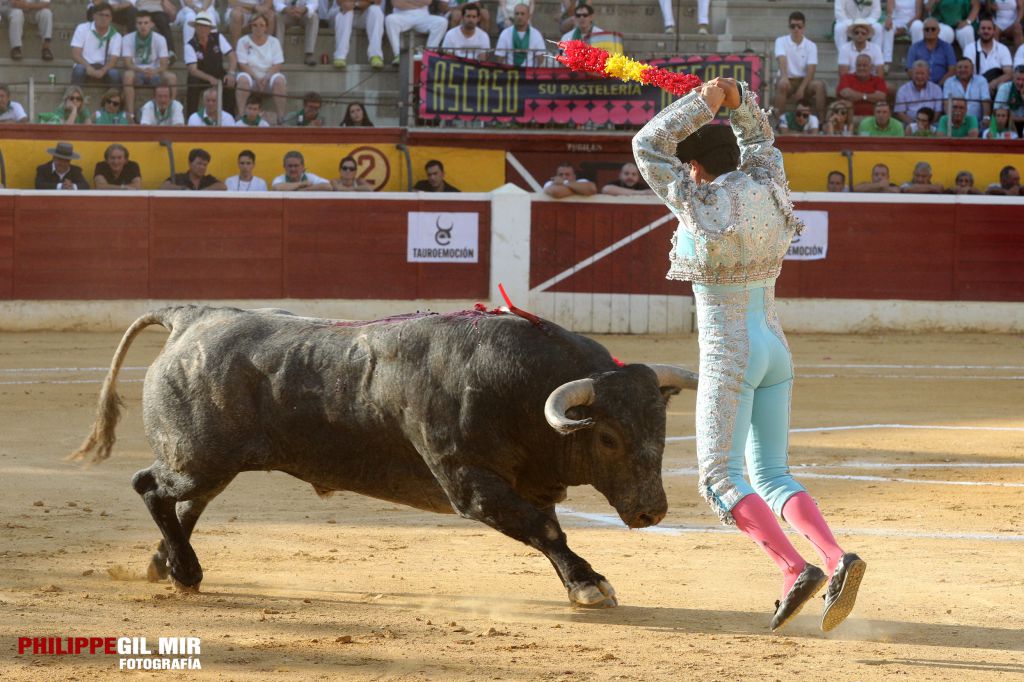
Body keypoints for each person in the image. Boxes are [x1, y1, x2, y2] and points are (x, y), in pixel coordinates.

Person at [633, 76, 866, 633]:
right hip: (774, 347)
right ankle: (835, 559)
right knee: (773, 472)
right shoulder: (766, 184)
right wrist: (739, 104)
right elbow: (761, 143)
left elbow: (646, 145)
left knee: (719, 476)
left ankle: (793, 568)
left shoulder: (698, 201)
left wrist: (703, 104)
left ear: (693, 170)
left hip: (730, 353)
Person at [122, 11, 179, 118]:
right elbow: (127, 63)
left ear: (152, 24)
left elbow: (164, 64)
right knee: (127, 75)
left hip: (155, 72)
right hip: (137, 72)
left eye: (146, 23)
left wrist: (154, 71)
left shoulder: (160, 39)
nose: (143, 26)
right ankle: (130, 114)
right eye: (139, 23)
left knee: (172, 78)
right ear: (136, 25)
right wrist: (142, 70)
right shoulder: (127, 38)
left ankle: (172, 110)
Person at [773, 12, 827, 124]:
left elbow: (811, 70)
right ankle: (779, 123)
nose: (796, 29)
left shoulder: (811, 45)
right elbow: (781, 60)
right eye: (793, 26)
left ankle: (822, 122)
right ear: (789, 27)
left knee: (819, 86)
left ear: (804, 27)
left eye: (799, 26)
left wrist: (802, 89)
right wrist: (784, 77)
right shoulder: (781, 41)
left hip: (804, 81)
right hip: (788, 79)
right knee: (782, 84)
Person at [236, 13, 287, 122]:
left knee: (280, 80)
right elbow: (242, 64)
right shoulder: (243, 41)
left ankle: (281, 117)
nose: (258, 28)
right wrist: (256, 78)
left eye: (261, 25)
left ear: (266, 27)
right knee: (242, 79)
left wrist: (266, 77)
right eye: (255, 25)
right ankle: (241, 115)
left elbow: (278, 64)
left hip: (269, 77)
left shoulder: (274, 41)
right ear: (250, 26)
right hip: (251, 76)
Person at [184, 15, 237, 117]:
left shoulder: (218, 37)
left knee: (230, 82)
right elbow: (193, 70)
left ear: (209, 29)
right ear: (195, 27)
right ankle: (190, 118)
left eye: (205, 26)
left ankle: (230, 118)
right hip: (200, 76)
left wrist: (231, 73)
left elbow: (232, 56)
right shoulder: (190, 45)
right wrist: (210, 79)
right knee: (192, 82)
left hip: (218, 73)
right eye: (200, 26)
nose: (202, 29)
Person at [70, 2, 123, 86]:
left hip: (103, 67)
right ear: (94, 16)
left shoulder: (116, 35)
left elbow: (113, 60)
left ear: (111, 18)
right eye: (101, 15)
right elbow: (75, 54)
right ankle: (74, 96)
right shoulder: (82, 28)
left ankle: (113, 98)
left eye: (107, 16)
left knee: (114, 74)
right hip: (85, 65)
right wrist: (88, 67)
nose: (104, 18)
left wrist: (103, 70)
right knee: (79, 70)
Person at [323, 0, 384, 69]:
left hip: (362, 15)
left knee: (376, 10)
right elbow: (341, 2)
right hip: (340, 11)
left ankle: (375, 55)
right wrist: (364, 3)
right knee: (346, 11)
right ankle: (340, 56)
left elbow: (377, 2)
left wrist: (355, 4)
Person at [384, 0, 447, 66]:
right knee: (390, 19)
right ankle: (398, 54)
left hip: (423, 17)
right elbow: (396, 3)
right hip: (401, 16)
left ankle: (429, 54)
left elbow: (428, 2)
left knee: (442, 22)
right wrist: (418, 3)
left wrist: (405, 2)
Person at [962, 18, 1013, 97]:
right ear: (978, 31)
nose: (986, 31)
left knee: (1003, 87)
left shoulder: (1003, 48)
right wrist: (983, 87)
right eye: (983, 28)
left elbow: (1009, 74)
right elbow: (967, 71)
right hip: (975, 86)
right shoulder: (970, 48)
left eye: (989, 29)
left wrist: (994, 83)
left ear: (994, 31)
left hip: (995, 87)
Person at [906, 18, 957, 84]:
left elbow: (952, 70)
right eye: (927, 29)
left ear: (938, 31)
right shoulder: (915, 47)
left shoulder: (947, 47)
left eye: (933, 29)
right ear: (923, 31)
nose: (930, 31)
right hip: (919, 85)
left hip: (942, 86)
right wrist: (922, 85)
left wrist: (938, 86)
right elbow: (909, 70)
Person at [837, 53, 889, 118]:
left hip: (873, 118)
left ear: (871, 67)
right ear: (855, 66)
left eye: (865, 65)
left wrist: (862, 96)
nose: (861, 68)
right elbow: (846, 93)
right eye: (859, 65)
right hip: (850, 118)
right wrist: (870, 97)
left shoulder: (878, 80)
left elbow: (881, 96)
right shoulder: (846, 78)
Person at [494, 2, 545, 67]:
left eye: (522, 14)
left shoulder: (536, 34)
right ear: (514, 15)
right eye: (517, 14)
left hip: (529, 73)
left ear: (528, 16)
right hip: (510, 73)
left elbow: (541, 59)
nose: (519, 17)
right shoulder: (505, 33)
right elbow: (499, 59)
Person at [943, 58, 991, 122]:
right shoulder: (949, 82)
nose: (963, 70)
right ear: (955, 69)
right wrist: (949, 120)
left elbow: (986, 100)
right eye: (959, 67)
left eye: (966, 67)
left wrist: (986, 118)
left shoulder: (981, 80)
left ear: (972, 69)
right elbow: (947, 103)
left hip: (977, 122)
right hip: (955, 122)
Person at [275, 0, 318, 66]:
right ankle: (279, 55)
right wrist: (289, 11)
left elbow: (314, 4)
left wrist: (302, 10)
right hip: (287, 14)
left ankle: (309, 54)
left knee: (314, 17)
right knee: (278, 16)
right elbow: (277, 3)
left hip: (303, 15)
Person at [161, 148, 227, 190]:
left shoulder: (208, 179)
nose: (202, 167)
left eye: (205, 165)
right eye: (199, 164)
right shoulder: (179, 178)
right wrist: (183, 189)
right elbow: (164, 186)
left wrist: (204, 191)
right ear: (190, 163)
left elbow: (223, 186)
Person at [883, 0, 922, 65]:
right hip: (897, 21)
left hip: (912, 22)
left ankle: (918, 60)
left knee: (918, 26)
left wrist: (905, 27)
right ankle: (886, 61)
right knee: (888, 27)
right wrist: (889, 18)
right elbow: (890, 12)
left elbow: (918, 15)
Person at [993, 65, 1024, 136]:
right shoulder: (1004, 88)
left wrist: (1022, 96)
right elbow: (998, 113)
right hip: (1008, 123)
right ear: (1013, 78)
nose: (1020, 83)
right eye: (1018, 79)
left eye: (1023, 80)